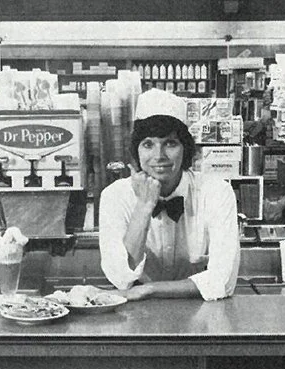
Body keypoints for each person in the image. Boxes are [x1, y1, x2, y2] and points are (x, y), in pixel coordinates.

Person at [99, 89, 240, 301]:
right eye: (148, 144)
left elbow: (224, 280)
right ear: (136, 151)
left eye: (170, 143)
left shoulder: (216, 192)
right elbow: (120, 278)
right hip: (137, 314)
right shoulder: (115, 196)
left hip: (202, 311)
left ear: (186, 149)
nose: (159, 156)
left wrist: (150, 289)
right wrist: (145, 206)